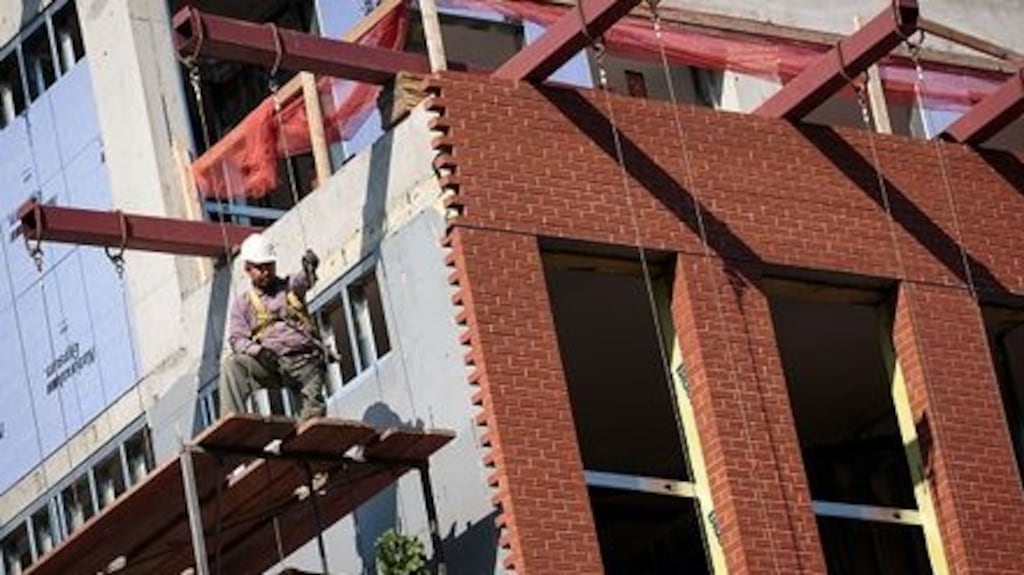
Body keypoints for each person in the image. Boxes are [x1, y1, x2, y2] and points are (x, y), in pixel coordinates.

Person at [219, 233, 326, 420]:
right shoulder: (243, 304)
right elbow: (237, 339)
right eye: (260, 268)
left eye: (269, 266)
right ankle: (233, 420)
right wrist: (258, 351)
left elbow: (303, 281)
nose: (266, 272)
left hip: (305, 362)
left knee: (312, 419)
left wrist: (309, 268)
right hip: (274, 364)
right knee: (232, 365)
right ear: (247, 268)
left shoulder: (289, 287)